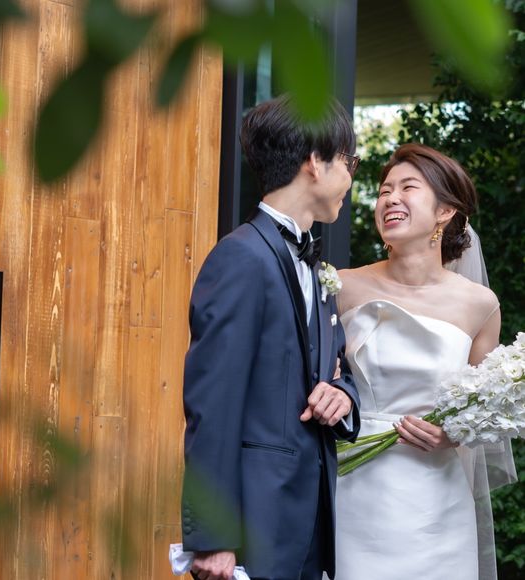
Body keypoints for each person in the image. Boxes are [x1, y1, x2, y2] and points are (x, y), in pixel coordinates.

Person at [180, 95, 361, 580]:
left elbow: (337, 367)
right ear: (314, 162)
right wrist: (213, 537)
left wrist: (342, 395)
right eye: (348, 162)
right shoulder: (241, 257)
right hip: (257, 525)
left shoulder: (319, 270)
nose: (351, 178)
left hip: (308, 521)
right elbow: (212, 403)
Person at [334, 143, 515, 579]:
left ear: (445, 212)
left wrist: (454, 434)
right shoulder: (341, 287)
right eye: (384, 191)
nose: (390, 199)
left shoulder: (480, 305)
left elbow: (486, 406)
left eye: (407, 188)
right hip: (353, 487)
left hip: (436, 499)